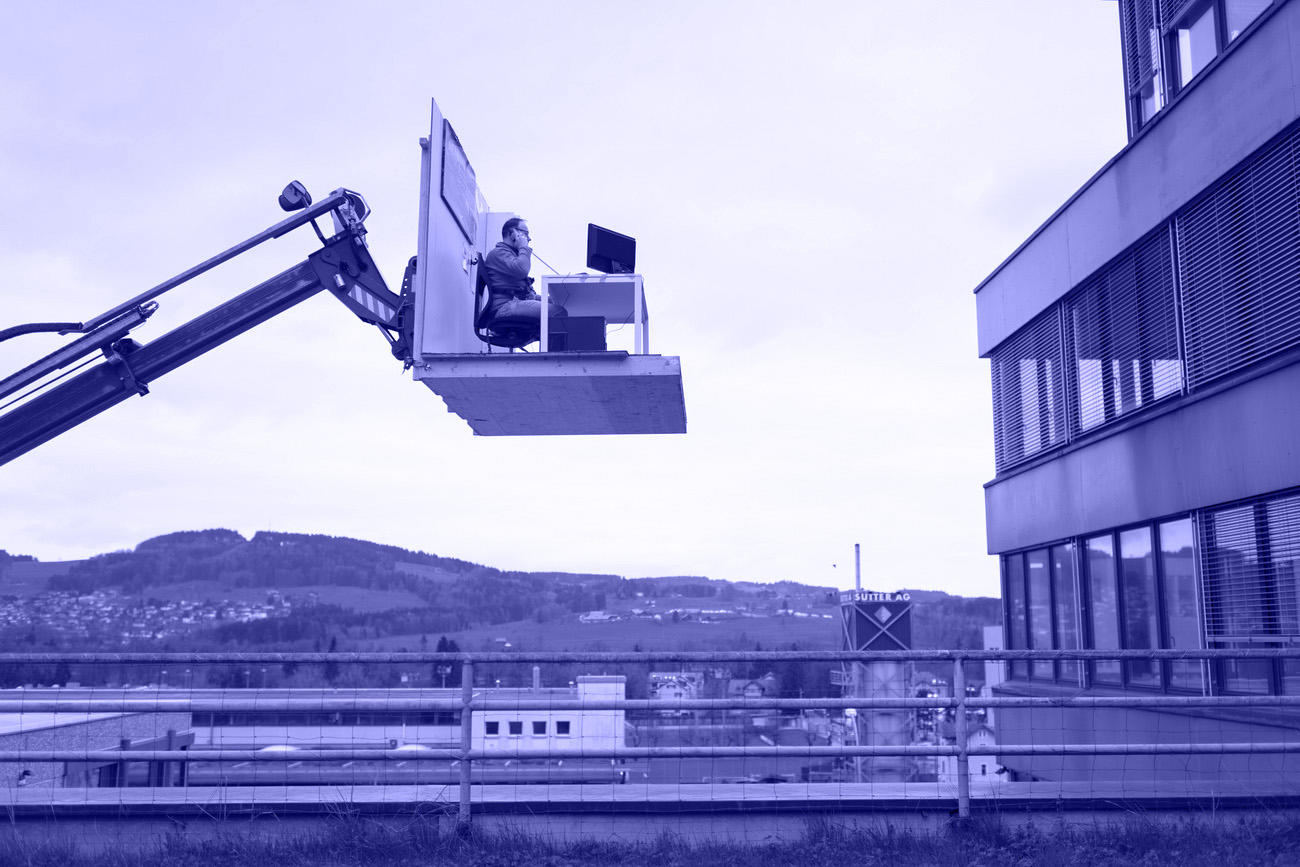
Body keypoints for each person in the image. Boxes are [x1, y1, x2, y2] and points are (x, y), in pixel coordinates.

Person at [481, 217, 565, 335]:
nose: (529, 239)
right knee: (558, 311)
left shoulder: (510, 255)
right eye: (525, 234)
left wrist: (552, 299)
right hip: (504, 307)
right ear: (512, 234)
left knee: (560, 303)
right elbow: (522, 270)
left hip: (514, 303)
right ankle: (556, 352)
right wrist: (523, 247)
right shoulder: (498, 253)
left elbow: (524, 289)